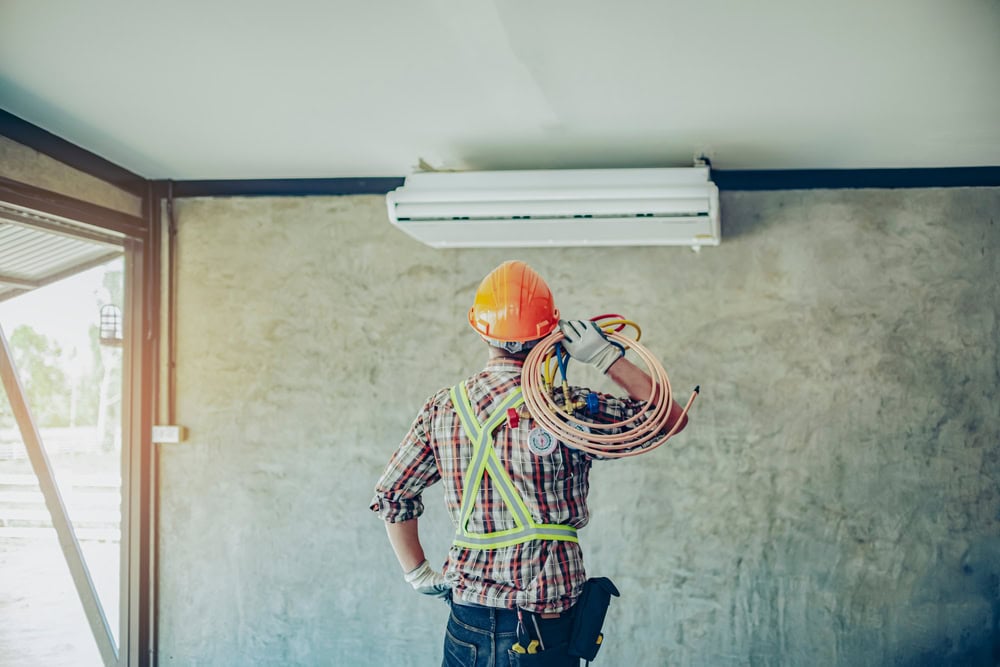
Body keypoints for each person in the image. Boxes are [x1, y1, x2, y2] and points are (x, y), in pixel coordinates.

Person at [370, 260, 689, 666]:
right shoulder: (565, 408)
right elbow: (669, 418)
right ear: (551, 327)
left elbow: (393, 494)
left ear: (478, 327)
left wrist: (417, 573)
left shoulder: (444, 408)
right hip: (542, 625)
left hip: (465, 618)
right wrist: (606, 357)